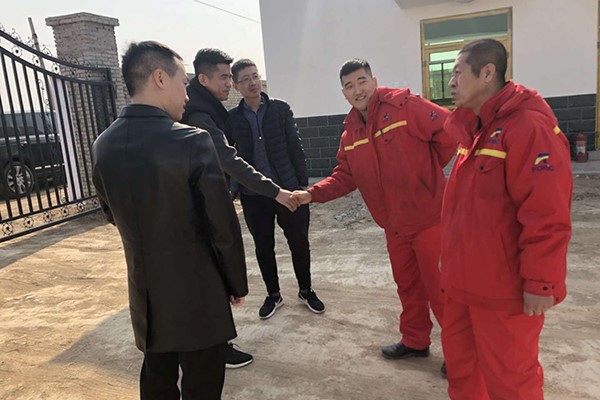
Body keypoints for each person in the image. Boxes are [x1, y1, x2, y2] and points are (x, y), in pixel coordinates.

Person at [91, 41, 248, 400]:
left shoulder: (102, 145)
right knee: (202, 385)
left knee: (157, 380)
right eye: (184, 83)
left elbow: (111, 213)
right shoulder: (192, 141)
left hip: (146, 297)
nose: (187, 95)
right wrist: (234, 282)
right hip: (199, 295)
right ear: (160, 78)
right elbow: (222, 226)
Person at [292, 59, 456, 374]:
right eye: (349, 86)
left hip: (429, 219)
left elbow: (449, 130)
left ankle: (459, 353)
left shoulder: (405, 107)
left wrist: (426, 172)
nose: (358, 90)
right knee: (407, 286)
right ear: (343, 93)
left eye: (362, 81)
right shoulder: (351, 133)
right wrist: (311, 194)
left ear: (374, 81)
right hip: (394, 226)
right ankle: (415, 340)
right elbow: (345, 176)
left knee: (442, 290)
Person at [440, 39, 572, 399]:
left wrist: (541, 283)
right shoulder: (474, 129)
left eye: (458, 72)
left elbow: (546, 212)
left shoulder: (528, 128)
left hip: (503, 291)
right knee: (463, 374)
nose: (451, 82)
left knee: (512, 382)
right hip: (463, 284)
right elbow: (465, 211)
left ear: (487, 73)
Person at [181, 48, 299, 369]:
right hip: (201, 210)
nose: (228, 83)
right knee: (212, 277)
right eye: (224, 77)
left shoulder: (209, 111)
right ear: (203, 79)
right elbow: (230, 160)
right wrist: (275, 191)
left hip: (205, 204)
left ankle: (215, 345)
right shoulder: (201, 117)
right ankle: (218, 349)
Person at [226, 58, 325, 320]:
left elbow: (296, 147)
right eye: (245, 79)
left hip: (288, 190)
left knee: (299, 243)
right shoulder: (232, 119)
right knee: (263, 246)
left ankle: (306, 290)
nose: (252, 82)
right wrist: (233, 191)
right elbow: (230, 158)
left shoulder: (280, 109)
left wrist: (301, 184)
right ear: (236, 86)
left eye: (255, 76)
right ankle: (273, 295)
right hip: (254, 195)